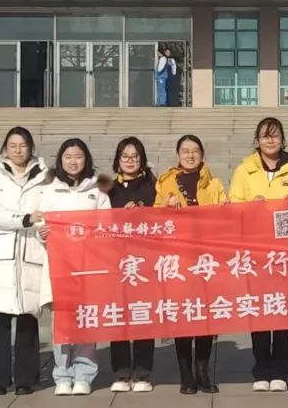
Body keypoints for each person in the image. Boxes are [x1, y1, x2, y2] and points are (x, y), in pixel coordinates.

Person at [229, 118, 288, 392]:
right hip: (256, 252)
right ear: (257, 140)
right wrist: (251, 206)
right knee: (260, 311)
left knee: (283, 312)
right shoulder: (244, 170)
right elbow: (233, 205)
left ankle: (281, 371)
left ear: (282, 140)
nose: (270, 141)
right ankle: (261, 369)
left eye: (275, 136)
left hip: (286, 253)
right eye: (265, 136)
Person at [34, 138, 111, 397]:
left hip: (88, 266)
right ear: (60, 160)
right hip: (60, 266)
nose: (73, 161)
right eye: (68, 157)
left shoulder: (97, 191)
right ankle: (62, 374)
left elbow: (107, 225)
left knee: (86, 319)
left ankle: (84, 374)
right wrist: (41, 232)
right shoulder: (49, 190)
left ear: (86, 159)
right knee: (63, 322)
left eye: (78, 156)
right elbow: (40, 220)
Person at [155, 134, 227, 395]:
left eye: (195, 150)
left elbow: (224, 219)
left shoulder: (214, 183)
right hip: (179, 260)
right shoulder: (166, 183)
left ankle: (202, 373)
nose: (190, 155)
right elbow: (153, 219)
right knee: (184, 317)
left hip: (207, 260)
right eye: (185, 151)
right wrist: (166, 206)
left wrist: (225, 210)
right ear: (178, 154)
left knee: (205, 317)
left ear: (202, 154)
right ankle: (186, 375)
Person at [0, 127, 49, 396]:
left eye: (23, 145)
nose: (18, 150)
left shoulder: (44, 179)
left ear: (31, 148)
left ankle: (26, 378)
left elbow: (48, 212)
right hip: (2, 256)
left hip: (31, 252)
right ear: (5, 148)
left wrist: (41, 228)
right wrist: (25, 219)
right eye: (13, 145)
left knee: (27, 318)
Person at [104, 137, 157, 393]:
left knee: (143, 314)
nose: (130, 161)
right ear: (117, 160)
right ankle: (122, 372)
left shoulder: (153, 186)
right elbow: (99, 220)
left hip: (146, 260)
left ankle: (143, 373)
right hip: (116, 261)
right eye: (125, 156)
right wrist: (119, 216)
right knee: (119, 316)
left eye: (135, 156)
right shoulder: (109, 188)